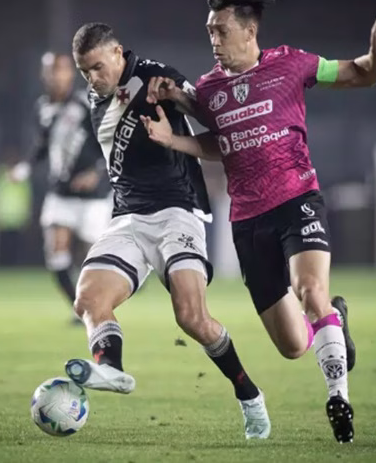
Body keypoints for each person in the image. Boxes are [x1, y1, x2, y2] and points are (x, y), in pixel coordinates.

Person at [141, 0, 376, 443]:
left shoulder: (292, 65)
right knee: (293, 345)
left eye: (221, 30)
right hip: (248, 222)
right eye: (209, 31)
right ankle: (334, 320)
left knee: (310, 291)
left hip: (297, 201)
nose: (213, 39)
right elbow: (223, 143)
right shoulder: (209, 90)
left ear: (249, 30)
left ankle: (339, 399)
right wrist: (172, 138)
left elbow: (361, 73)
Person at [62, 22, 271, 439]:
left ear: (119, 52)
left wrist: (178, 98)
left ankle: (249, 395)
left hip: (178, 210)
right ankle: (111, 369)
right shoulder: (95, 96)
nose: (92, 78)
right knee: (87, 299)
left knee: (191, 317)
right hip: (128, 217)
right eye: (85, 71)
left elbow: (217, 123)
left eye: (98, 67)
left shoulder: (157, 77)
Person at [10, 53, 112, 322]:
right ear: (43, 75)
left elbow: (110, 140)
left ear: (71, 74)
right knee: (56, 251)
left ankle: (101, 299)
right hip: (61, 191)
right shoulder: (42, 107)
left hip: (93, 196)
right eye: (50, 71)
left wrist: (96, 172)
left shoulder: (86, 104)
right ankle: (80, 309)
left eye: (61, 70)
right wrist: (25, 167)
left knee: (91, 258)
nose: (55, 76)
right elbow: (43, 143)